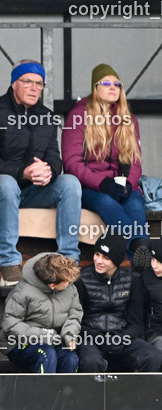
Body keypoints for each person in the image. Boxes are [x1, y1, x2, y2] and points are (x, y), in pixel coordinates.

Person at [0, 61, 81, 285]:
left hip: (33, 190)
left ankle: (68, 260)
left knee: (70, 182)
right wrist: (22, 172)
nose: (34, 88)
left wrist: (49, 172)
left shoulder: (47, 116)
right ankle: (9, 264)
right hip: (1, 189)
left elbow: (55, 158)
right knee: (7, 184)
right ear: (14, 83)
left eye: (39, 83)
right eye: (27, 81)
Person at [63, 63, 149, 265]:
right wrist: (102, 183)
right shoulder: (78, 116)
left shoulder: (128, 118)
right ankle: (140, 248)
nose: (113, 87)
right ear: (95, 88)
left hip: (120, 183)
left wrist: (129, 183)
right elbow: (71, 163)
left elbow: (135, 160)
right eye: (107, 83)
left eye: (117, 84)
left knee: (136, 202)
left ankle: (140, 259)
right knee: (107, 203)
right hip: (91, 186)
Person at [75, 233, 161, 373]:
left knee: (153, 357)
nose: (99, 261)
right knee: (91, 361)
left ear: (116, 259)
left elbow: (136, 323)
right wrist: (98, 338)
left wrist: (122, 338)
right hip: (90, 338)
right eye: (97, 254)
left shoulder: (131, 280)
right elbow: (77, 320)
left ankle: (139, 394)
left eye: (106, 257)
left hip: (122, 337)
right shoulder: (82, 279)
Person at [0, 253, 81, 373]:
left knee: (70, 358)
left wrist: (69, 334)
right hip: (19, 342)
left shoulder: (70, 288)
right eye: (67, 282)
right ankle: (45, 392)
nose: (70, 283)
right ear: (52, 285)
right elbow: (11, 324)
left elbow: (75, 314)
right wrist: (44, 336)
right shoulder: (23, 291)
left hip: (54, 339)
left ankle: (64, 391)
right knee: (47, 354)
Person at [129, 240, 162, 353]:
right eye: (153, 259)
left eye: (160, 262)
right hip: (156, 333)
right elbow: (138, 310)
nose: (154, 265)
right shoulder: (147, 277)